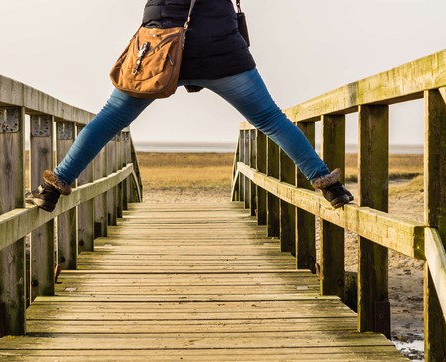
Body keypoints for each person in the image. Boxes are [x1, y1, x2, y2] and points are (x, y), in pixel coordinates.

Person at [26, 0, 353, 212]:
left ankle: (52, 189)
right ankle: (330, 186)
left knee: (110, 117)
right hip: (221, 52)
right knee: (270, 118)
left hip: (159, 50)